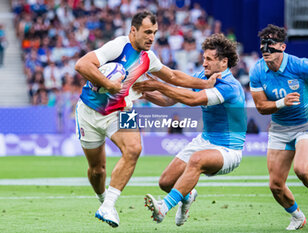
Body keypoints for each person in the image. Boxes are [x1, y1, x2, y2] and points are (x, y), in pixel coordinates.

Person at [74, 10, 214, 228]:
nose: (151, 37)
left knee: (134, 149)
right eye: (147, 32)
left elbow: (173, 76)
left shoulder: (149, 58)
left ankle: (109, 205)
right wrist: (110, 84)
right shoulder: (118, 46)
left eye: (155, 33)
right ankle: (103, 200)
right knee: (97, 170)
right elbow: (82, 65)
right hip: (89, 112)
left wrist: (204, 84)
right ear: (133, 31)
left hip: (121, 110)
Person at [133, 33, 246, 226]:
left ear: (224, 62)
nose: (204, 64)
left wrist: (159, 85)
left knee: (196, 160)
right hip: (204, 141)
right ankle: (188, 195)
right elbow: (169, 100)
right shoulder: (203, 77)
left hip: (229, 150)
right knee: (166, 182)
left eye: (209, 59)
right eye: (204, 58)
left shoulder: (230, 87)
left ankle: (163, 208)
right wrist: (144, 93)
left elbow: (193, 100)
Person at [249, 24, 308, 230]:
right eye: (263, 44)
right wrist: (282, 103)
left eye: (271, 44)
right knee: (275, 185)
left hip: (306, 123)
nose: (266, 48)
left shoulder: (302, 65)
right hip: (280, 127)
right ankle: (298, 216)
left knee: (301, 169)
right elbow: (261, 108)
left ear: (282, 47)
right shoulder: (257, 70)